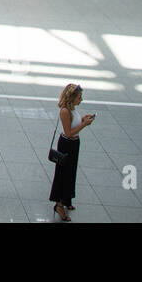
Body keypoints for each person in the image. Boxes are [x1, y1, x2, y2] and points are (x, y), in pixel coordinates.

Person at [49, 83, 94, 221]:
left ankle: (66, 199)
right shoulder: (64, 111)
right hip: (67, 144)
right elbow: (68, 132)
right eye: (79, 97)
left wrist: (82, 119)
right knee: (64, 175)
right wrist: (84, 124)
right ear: (72, 98)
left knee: (71, 173)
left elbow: (73, 124)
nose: (81, 100)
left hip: (74, 144)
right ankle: (59, 205)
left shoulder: (72, 108)